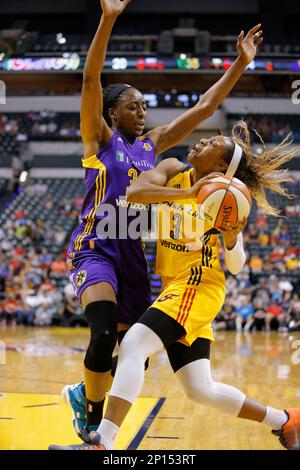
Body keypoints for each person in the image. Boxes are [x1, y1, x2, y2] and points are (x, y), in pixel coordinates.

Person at [61, 0, 264, 443]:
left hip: (133, 250)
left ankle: (85, 393)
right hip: (97, 243)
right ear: (113, 113)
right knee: (102, 329)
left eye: (145, 107)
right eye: (133, 107)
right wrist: (108, 18)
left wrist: (240, 65)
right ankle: (94, 421)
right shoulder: (100, 138)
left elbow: (207, 106)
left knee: (141, 351)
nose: (142, 113)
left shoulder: (154, 145)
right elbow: (91, 78)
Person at [49, 119, 299, 451]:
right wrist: (189, 193)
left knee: (134, 344)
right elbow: (134, 194)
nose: (202, 141)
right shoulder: (173, 170)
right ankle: (286, 420)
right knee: (200, 388)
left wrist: (231, 237)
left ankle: (103, 443)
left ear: (221, 166)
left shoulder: (227, 199)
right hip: (175, 288)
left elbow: (237, 266)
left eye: (211, 144)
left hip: (198, 285)